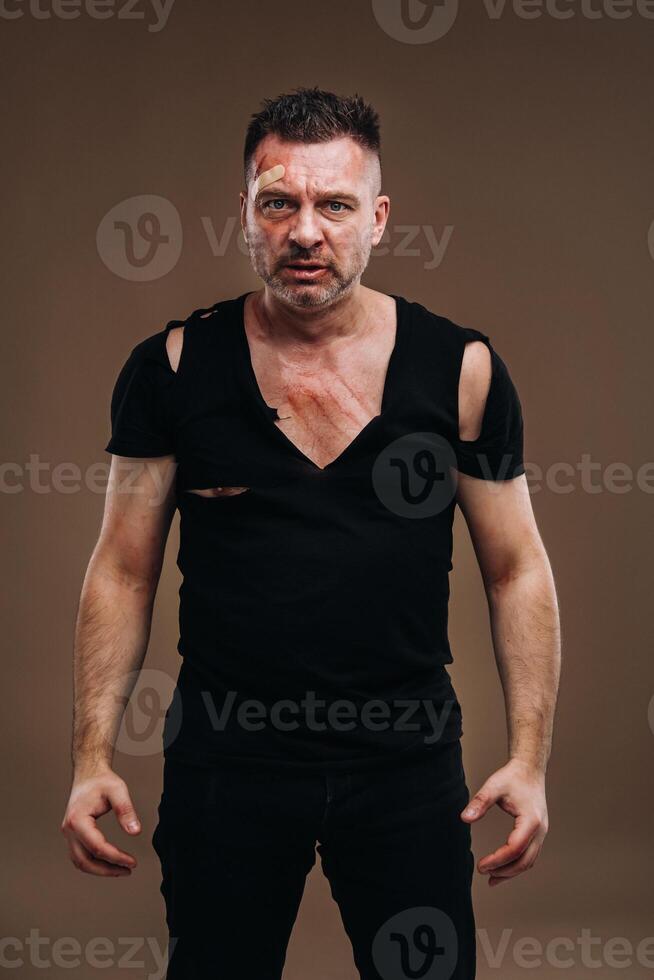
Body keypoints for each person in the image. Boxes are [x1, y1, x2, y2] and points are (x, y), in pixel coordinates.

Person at [61, 88, 561, 979]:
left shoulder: (461, 369)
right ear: (244, 216)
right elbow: (123, 572)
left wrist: (528, 761)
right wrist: (91, 756)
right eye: (278, 202)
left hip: (405, 766)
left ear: (377, 218)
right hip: (229, 762)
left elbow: (516, 570)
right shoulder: (173, 367)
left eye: (333, 205)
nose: (305, 231)